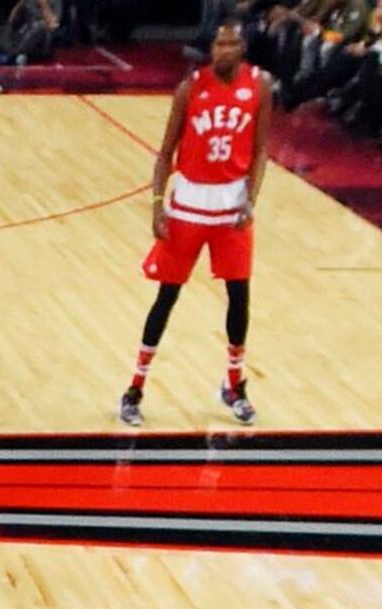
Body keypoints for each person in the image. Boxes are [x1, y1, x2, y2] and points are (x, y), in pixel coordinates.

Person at [125, 18, 270, 427]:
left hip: (231, 207)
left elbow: (261, 149)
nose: (223, 51)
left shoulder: (260, 86)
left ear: (242, 48)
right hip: (188, 205)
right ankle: (135, 387)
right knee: (166, 298)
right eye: (218, 44)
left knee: (239, 298)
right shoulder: (190, 87)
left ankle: (234, 384)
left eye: (231, 44)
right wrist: (157, 206)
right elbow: (164, 152)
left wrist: (251, 200)